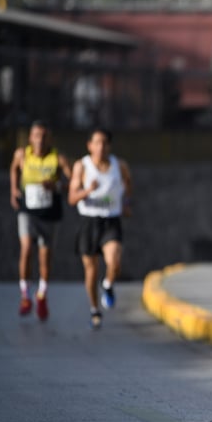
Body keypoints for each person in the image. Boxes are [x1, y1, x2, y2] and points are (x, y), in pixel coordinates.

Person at [68, 128, 132, 329]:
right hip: (89, 221)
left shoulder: (119, 165)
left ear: (109, 146)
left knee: (114, 261)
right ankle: (95, 309)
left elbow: (128, 187)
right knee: (91, 269)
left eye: (104, 143)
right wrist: (88, 190)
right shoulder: (82, 166)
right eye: (97, 143)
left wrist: (126, 203)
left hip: (111, 221)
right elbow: (71, 198)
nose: (101, 147)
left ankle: (108, 284)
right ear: (89, 145)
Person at [8, 120, 72, 320]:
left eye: (44, 136)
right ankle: (25, 295)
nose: (40, 140)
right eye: (36, 135)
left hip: (49, 212)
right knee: (26, 248)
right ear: (30, 137)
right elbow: (14, 169)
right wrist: (13, 189)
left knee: (44, 257)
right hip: (28, 210)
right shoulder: (22, 155)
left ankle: (42, 294)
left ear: (49, 138)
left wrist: (57, 186)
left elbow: (72, 183)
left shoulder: (58, 159)